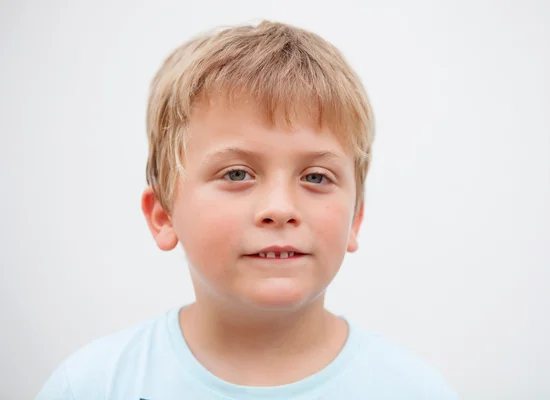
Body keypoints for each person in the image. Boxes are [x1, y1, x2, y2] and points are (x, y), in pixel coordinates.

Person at [36, 20, 457, 399]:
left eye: (315, 177)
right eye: (237, 174)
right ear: (163, 215)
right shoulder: (94, 385)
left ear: (355, 219)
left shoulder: (411, 390)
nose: (279, 209)